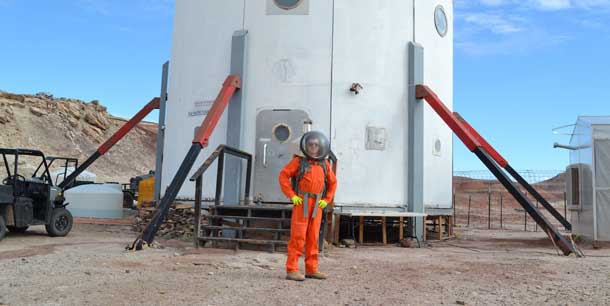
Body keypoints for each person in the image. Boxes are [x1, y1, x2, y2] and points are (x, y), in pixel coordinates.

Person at [278, 131, 337, 281]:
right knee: (298, 237)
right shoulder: (299, 161)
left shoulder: (325, 164)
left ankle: (311, 269)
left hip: (317, 204)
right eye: (310, 145)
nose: (313, 148)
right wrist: (292, 195)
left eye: (316, 145)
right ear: (305, 146)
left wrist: (327, 199)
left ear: (320, 147)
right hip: (302, 203)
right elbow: (284, 175)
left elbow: (333, 183)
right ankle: (292, 270)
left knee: (313, 237)